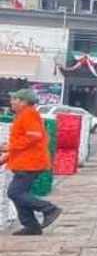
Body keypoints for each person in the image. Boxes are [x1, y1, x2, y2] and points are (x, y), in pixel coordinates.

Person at [1, 89, 62, 236]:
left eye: (14, 99)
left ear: (23, 102)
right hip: (25, 161)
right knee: (19, 193)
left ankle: (49, 209)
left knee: (15, 192)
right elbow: (24, 142)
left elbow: (33, 137)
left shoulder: (28, 114)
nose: (11, 102)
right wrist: (5, 157)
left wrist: (9, 147)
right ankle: (31, 226)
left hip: (30, 163)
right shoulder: (23, 115)